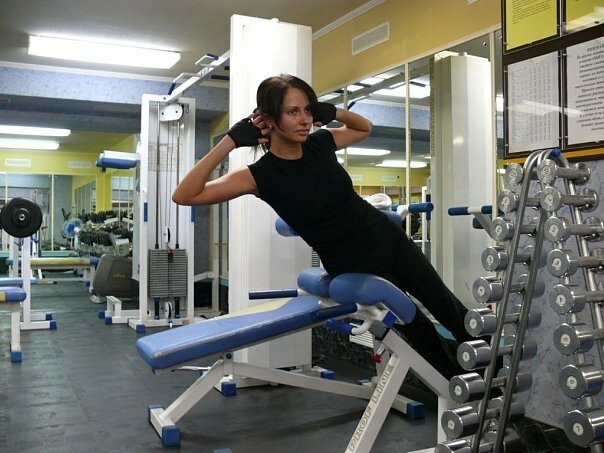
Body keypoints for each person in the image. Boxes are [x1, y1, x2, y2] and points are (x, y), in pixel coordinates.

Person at [172, 74, 473, 378]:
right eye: (293, 112)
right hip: (354, 263)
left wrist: (332, 111)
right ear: (269, 119)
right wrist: (230, 141)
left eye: (308, 109)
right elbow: (185, 195)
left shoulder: (320, 143)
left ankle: (491, 369)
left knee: (447, 306)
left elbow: (364, 128)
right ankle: (464, 384)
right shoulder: (258, 176)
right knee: (418, 329)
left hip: (389, 239)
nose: (304, 119)